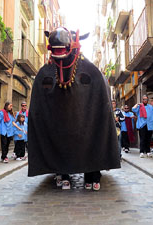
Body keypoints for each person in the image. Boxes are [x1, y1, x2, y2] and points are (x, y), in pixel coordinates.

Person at [28, 27, 120, 191]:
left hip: (85, 122)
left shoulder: (92, 72)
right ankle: (62, 173)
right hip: (58, 124)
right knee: (59, 140)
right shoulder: (45, 73)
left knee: (92, 138)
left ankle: (92, 173)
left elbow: (102, 109)